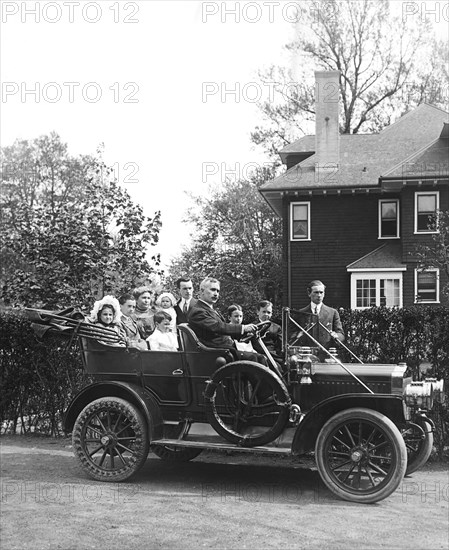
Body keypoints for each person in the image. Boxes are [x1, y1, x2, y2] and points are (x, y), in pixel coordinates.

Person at [188, 277, 266, 365]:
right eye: (213, 290)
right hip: (217, 351)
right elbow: (217, 327)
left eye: (217, 291)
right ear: (202, 291)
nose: (216, 294)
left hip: (225, 348)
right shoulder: (198, 311)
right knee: (255, 358)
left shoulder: (209, 309)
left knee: (262, 357)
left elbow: (222, 328)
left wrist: (246, 333)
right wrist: (243, 328)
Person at [293, 280, 344, 356]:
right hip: (306, 356)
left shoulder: (332, 313)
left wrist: (337, 336)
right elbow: (292, 334)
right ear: (309, 293)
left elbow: (341, 335)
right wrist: (298, 335)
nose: (319, 295)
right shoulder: (300, 313)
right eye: (316, 292)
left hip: (327, 356)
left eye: (321, 292)